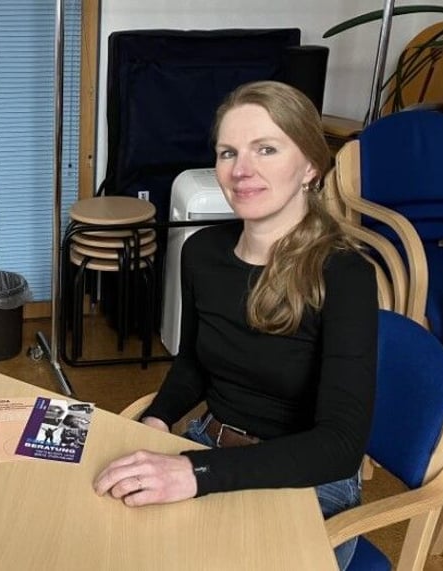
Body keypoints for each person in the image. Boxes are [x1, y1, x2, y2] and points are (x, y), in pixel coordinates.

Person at [92, 81, 377, 570]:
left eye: (266, 149)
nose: (241, 170)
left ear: (310, 165)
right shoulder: (202, 252)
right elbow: (193, 365)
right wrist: (158, 420)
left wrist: (193, 472)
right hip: (209, 445)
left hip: (308, 480)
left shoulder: (345, 273)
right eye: (228, 152)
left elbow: (339, 447)